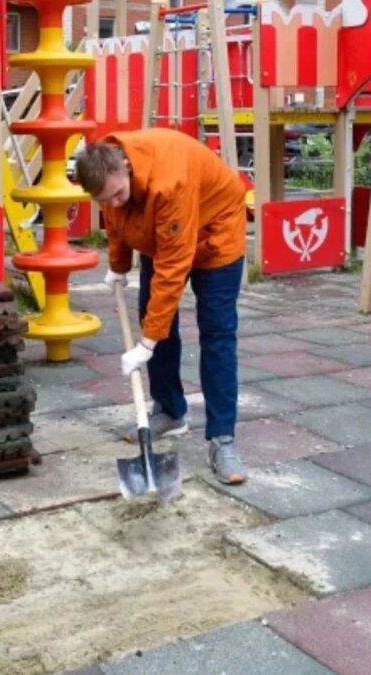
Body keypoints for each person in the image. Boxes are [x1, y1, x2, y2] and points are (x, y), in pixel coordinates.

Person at [74, 128, 248, 485]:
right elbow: (117, 222)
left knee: (216, 333)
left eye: (119, 193)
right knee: (155, 320)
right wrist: (118, 267)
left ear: (125, 165)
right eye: (107, 199)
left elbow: (172, 269)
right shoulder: (109, 178)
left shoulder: (170, 182)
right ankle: (169, 411)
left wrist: (147, 343)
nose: (116, 203)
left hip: (215, 233)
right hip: (164, 235)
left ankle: (222, 439)